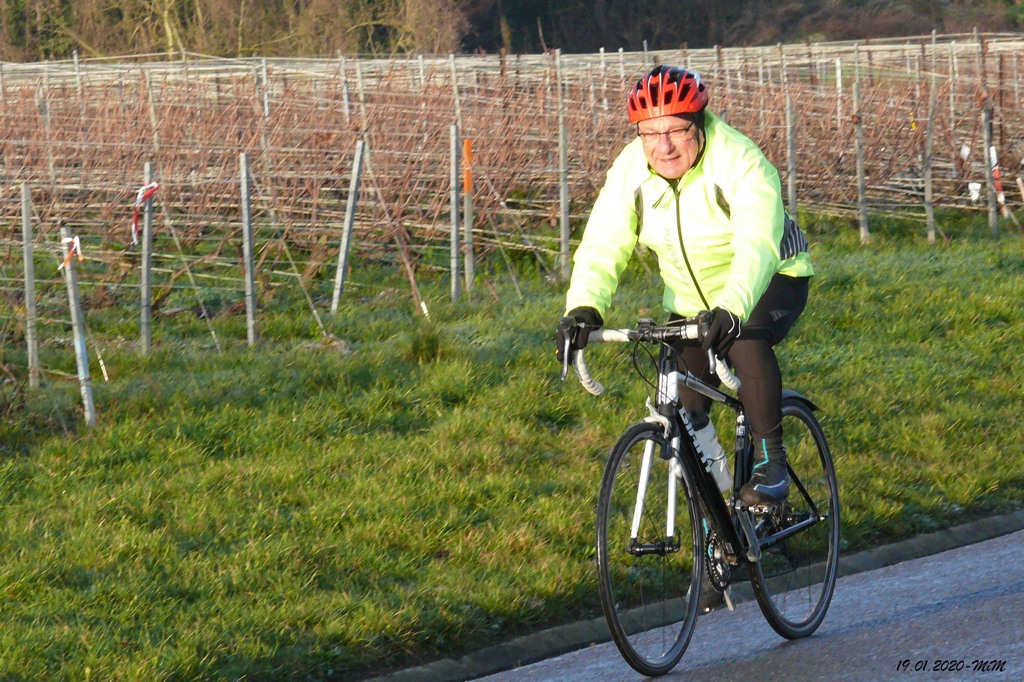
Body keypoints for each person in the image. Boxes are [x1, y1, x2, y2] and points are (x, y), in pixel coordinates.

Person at [556, 65, 813, 510]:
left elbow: (757, 244)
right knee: (684, 405)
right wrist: (584, 308)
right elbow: (603, 243)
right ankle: (721, 524)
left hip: (772, 279)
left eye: (676, 130)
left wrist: (733, 308)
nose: (664, 146)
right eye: (650, 133)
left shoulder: (740, 160)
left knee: (746, 341)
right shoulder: (631, 170)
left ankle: (771, 463)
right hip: (694, 302)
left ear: (698, 123)